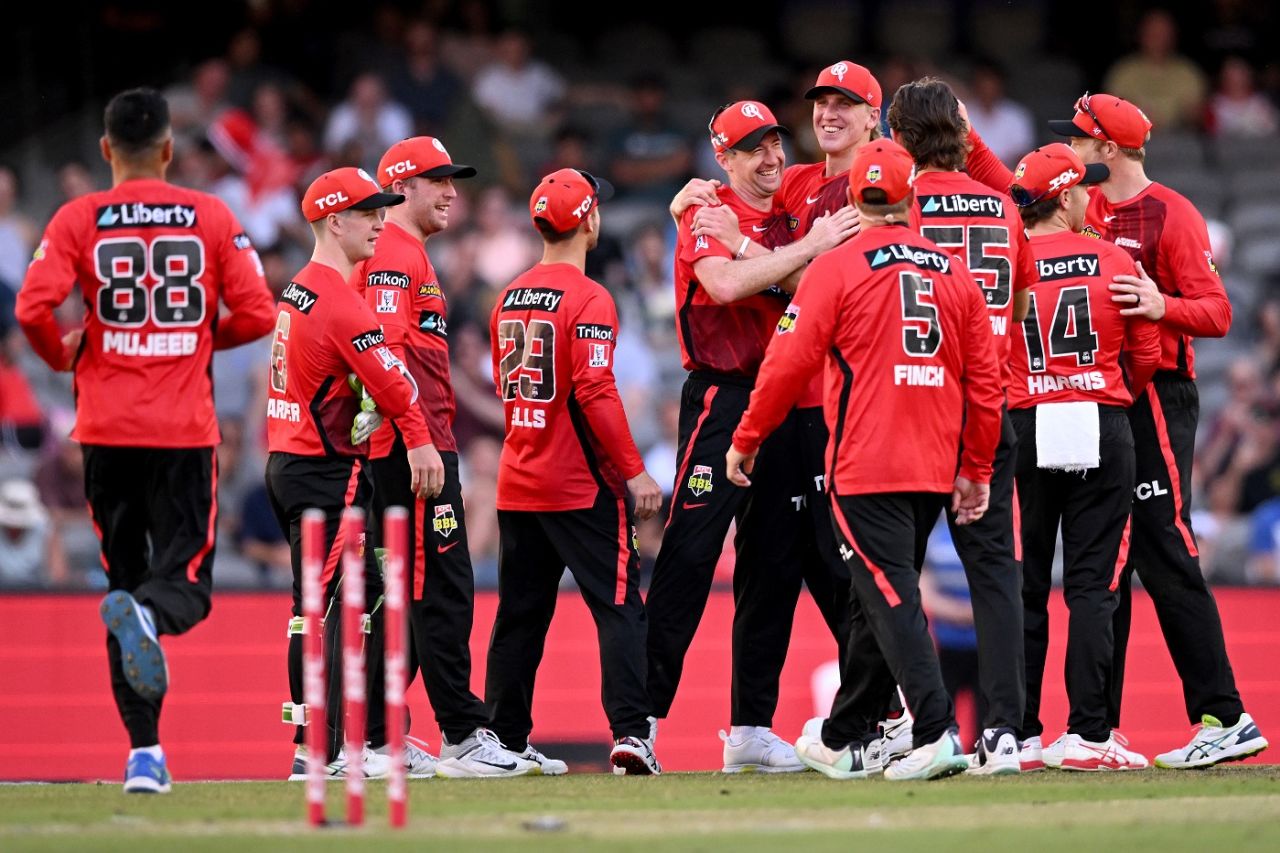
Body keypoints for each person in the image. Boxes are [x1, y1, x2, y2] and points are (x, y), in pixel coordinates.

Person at [966, 92, 1269, 769]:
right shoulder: (1086, 204)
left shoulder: (1171, 213)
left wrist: (1162, 304)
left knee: (1164, 547)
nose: (1069, 148)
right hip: (1100, 398)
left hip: (1152, 396)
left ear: (1105, 147)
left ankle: (1225, 715)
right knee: (1108, 564)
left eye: (1077, 137)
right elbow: (1018, 185)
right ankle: (1097, 728)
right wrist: (964, 135)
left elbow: (1218, 312)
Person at [15, 87, 275, 793]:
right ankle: (150, 618)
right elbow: (259, 313)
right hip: (183, 432)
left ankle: (144, 753)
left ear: (106, 149)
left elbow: (32, 308)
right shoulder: (211, 215)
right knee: (183, 587)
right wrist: (198, 338)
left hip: (105, 433)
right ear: (168, 149)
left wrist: (62, 354)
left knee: (123, 582)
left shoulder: (77, 217)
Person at [727, 139, 1004, 781]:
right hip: (934, 461)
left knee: (886, 592)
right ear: (911, 197)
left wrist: (747, 437)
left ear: (853, 197)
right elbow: (985, 381)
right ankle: (845, 735)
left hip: (865, 459)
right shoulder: (953, 271)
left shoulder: (835, 267)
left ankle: (934, 731)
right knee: (869, 597)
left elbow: (787, 362)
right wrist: (977, 467)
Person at [669, 65, 916, 768]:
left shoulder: (881, 182)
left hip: (852, 395)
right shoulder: (801, 183)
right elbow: (749, 213)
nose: (829, 114)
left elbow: (822, 288)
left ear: (874, 116)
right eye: (822, 102)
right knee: (783, 564)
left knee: (858, 563)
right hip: (796, 397)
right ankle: (873, 717)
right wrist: (693, 202)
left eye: (846, 103)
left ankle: (904, 714)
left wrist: (746, 245)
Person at [644, 100, 858, 772]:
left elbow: (813, 285)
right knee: (690, 551)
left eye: (773, 143)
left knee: (774, 563)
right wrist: (801, 249)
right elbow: (727, 283)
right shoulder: (708, 211)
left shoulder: (790, 205)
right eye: (751, 148)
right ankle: (637, 720)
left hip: (787, 397)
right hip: (722, 394)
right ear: (723, 159)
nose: (770, 158)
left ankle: (750, 728)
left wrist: (782, 251)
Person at [262, 167, 467, 781]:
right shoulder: (340, 301)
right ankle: (316, 750)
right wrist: (418, 440)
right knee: (327, 608)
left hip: (291, 460)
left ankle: (358, 740)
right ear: (335, 222)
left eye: (382, 209)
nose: (381, 222)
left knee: (355, 598)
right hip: (327, 470)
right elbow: (396, 384)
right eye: (368, 212)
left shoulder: (299, 288)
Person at [355, 136, 537, 778]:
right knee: (444, 589)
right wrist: (416, 439)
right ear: (401, 187)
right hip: (413, 450)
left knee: (413, 594)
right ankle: (461, 733)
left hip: (415, 444)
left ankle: (378, 737)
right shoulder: (392, 254)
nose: (452, 192)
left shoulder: (406, 254)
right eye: (438, 180)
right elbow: (384, 354)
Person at [483, 168, 665, 774]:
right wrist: (635, 472)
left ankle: (503, 740)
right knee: (618, 607)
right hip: (580, 483)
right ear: (588, 221)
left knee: (519, 616)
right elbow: (594, 389)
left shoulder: (508, 295)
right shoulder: (590, 298)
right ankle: (631, 734)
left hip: (519, 477)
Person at [888, 76, 1039, 775]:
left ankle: (895, 724)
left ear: (898, 138)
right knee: (995, 571)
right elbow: (1024, 296)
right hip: (991, 405)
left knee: (889, 568)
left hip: (918, 403)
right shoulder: (1003, 206)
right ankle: (1006, 730)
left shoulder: (899, 206)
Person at [1006, 143, 1161, 771]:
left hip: (1024, 422)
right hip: (1100, 417)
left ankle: (1016, 734)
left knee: (1023, 586)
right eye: (1082, 188)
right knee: (1094, 587)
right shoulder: (1114, 258)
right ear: (1066, 197)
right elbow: (1146, 354)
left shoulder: (1003, 262)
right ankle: (1089, 736)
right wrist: (1105, 392)